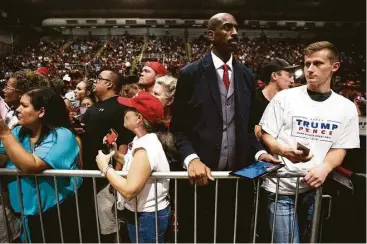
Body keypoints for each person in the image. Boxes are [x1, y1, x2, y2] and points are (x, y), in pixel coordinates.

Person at [170, 13, 279, 243]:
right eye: (227, 27)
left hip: (237, 181)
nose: (235, 33)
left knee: (234, 236)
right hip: (201, 179)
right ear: (211, 35)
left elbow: (249, 129)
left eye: (236, 28)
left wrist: (260, 154)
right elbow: (179, 128)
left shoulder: (246, 76)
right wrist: (191, 159)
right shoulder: (190, 74)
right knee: (198, 236)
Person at [259, 41, 360, 243]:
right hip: (281, 188)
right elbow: (266, 134)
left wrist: (325, 167)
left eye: (317, 63)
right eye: (307, 64)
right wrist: (282, 150)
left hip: (315, 189)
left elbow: (340, 148)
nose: (310, 69)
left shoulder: (346, 108)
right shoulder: (285, 98)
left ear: (334, 66)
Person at [0, 88, 82, 243]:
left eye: (24, 106)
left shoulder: (62, 135)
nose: (18, 110)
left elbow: (31, 165)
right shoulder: (18, 133)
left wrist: (4, 133)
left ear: (41, 111)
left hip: (55, 215)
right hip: (24, 216)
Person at [96, 91, 173, 243]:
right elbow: (135, 165)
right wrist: (115, 152)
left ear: (139, 118)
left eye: (129, 109)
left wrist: (105, 168)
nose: (125, 112)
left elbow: (129, 190)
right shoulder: (141, 140)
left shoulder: (145, 147)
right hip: (145, 215)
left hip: (147, 217)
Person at [77, 70, 134, 243]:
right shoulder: (92, 108)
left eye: (99, 79)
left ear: (109, 84)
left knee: (110, 224)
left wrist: (115, 174)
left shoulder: (120, 106)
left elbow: (123, 141)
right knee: (95, 222)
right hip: (89, 173)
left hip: (107, 176)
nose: (95, 82)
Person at [252, 58, 298, 139]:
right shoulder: (253, 99)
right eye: (289, 76)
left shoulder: (291, 101)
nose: (292, 81)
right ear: (274, 76)